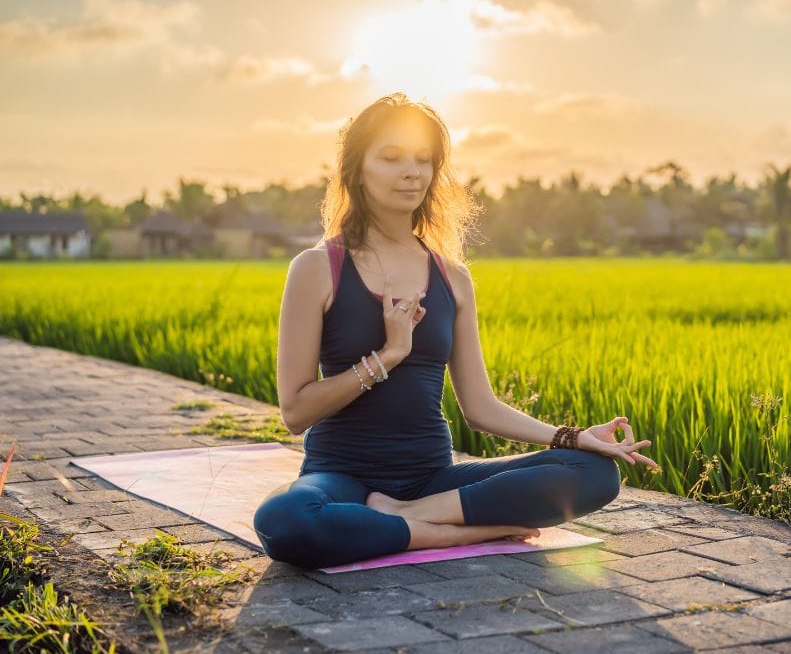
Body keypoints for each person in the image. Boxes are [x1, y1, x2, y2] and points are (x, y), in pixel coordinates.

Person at [252, 92, 659, 570]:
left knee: (595, 473)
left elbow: (480, 408)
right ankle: (451, 533)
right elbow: (296, 412)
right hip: (341, 480)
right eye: (391, 157)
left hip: (433, 482)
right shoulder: (318, 267)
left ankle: (406, 516)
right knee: (287, 519)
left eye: (423, 159)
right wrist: (389, 355)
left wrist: (573, 437)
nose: (411, 172)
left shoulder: (453, 277)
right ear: (356, 169)